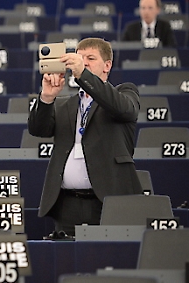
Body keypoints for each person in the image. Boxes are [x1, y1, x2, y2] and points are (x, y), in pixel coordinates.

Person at [28, 37, 143, 237]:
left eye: (90, 58)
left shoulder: (124, 93)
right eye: (80, 58)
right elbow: (38, 129)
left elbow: (124, 110)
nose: (83, 62)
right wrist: (47, 97)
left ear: (107, 65)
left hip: (108, 201)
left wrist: (84, 74)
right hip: (67, 204)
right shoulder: (64, 104)